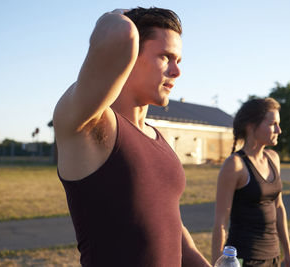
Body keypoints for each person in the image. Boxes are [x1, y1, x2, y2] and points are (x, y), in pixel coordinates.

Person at [53, 7, 211, 267]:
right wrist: (122, 14)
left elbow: (174, 233)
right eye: (165, 57)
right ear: (130, 55)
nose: (176, 71)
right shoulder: (90, 125)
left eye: (178, 61)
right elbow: (118, 32)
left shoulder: (157, 137)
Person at [211, 98, 290, 267]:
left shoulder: (273, 158)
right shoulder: (235, 165)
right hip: (244, 259)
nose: (279, 130)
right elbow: (221, 221)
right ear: (251, 126)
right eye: (273, 124)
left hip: (273, 257)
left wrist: (288, 255)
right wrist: (217, 263)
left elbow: (279, 208)